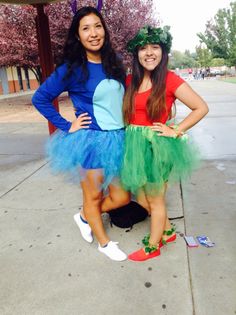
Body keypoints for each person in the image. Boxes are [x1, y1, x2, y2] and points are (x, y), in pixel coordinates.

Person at [32, 6, 130, 261]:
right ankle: (105, 243)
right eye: (85, 28)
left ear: (104, 31)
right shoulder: (71, 68)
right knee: (94, 194)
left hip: (118, 138)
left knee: (121, 197)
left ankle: (85, 216)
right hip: (91, 141)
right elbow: (40, 98)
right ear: (77, 35)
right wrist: (66, 125)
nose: (93, 33)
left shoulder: (114, 62)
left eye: (97, 26)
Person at [121, 26, 209, 261]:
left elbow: (201, 107)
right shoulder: (131, 79)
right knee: (142, 197)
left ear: (163, 52)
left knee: (155, 198)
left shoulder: (170, 79)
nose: (149, 53)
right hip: (135, 146)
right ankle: (168, 231)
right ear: (136, 54)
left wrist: (176, 129)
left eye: (155, 47)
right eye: (143, 48)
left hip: (157, 147)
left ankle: (153, 245)